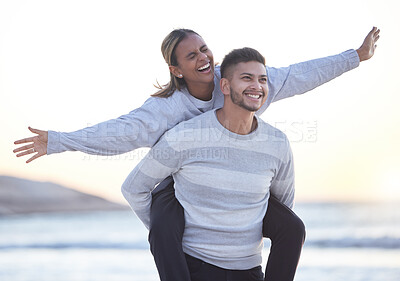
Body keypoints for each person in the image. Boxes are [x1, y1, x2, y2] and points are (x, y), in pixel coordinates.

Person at [13, 27, 380, 281]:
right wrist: (59, 141)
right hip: (182, 185)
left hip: (238, 176)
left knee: (291, 226)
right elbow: (119, 133)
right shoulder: (167, 110)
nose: (203, 58)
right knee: (165, 222)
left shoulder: (237, 78)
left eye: (204, 49)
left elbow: (301, 75)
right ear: (176, 69)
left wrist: (356, 56)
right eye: (191, 56)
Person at [122, 47, 297, 281]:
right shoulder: (185, 136)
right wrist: (167, 235)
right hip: (196, 268)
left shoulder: (278, 143)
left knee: (295, 227)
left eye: (262, 79)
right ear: (224, 86)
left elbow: (282, 206)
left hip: (249, 270)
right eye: (247, 78)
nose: (257, 86)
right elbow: (134, 188)